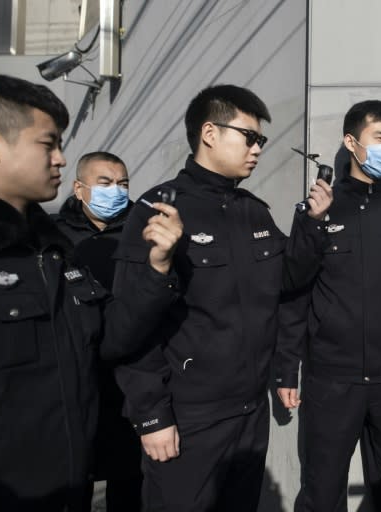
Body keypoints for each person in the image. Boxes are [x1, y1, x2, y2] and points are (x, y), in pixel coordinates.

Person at [113, 84, 332, 512]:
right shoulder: (159, 209)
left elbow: (287, 278)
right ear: (209, 133)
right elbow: (133, 323)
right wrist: (152, 415)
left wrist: (313, 222)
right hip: (188, 415)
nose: (257, 150)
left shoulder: (253, 209)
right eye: (250, 137)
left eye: (261, 141)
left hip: (249, 412)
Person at [0, 74, 182, 511]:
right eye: (48, 144)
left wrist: (157, 268)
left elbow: (111, 335)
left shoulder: (51, 251)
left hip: (68, 484)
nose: (61, 159)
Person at [274, 100, 381, 511]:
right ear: (352, 143)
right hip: (332, 380)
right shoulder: (317, 210)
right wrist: (286, 370)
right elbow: (294, 292)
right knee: (322, 491)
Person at [53, 152, 142, 511]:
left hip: (131, 380)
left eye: (123, 184)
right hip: (76, 380)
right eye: (105, 183)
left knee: (131, 485)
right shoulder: (53, 237)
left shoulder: (142, 230)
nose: (116, 192)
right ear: (79, 188)